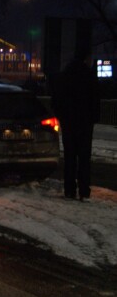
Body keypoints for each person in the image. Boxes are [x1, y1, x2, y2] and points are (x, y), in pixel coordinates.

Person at [50, 45, 101, 201]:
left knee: (70, 157)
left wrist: (62, 116)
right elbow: (95, 99)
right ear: (86, 58)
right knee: (84, 158)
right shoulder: (89, 76)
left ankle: (69, 189)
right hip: (85, 122)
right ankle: (84, 190)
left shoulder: (65, 75)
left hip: (69, 122)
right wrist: (93, 118)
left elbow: (56, 100)